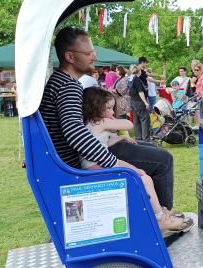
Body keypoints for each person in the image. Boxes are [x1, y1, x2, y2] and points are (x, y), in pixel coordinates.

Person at [39, 26, 179, 216]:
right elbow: (74, 133)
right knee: (163, 160)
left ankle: (153, 213)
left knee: (153, 149)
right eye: (88, 53)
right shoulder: (67, 86)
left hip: (77, 157)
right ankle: (162, 218)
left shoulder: (60, 81)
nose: (94, 57)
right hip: (77, 164)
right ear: (70, 57)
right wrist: (113, 162)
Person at [81, 87, 193, 234]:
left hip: (93, 166)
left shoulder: (90, 124)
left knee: (149, 164)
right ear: (96, 108)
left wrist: (120, 137)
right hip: (98, 167)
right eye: (108, 108)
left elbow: (103, 143)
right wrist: (114, 120)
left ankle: (160, 212)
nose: (112, 112)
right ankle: (161, 218)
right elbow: (128, 124)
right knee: (144, 178)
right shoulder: (102, 122)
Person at [129, 66, 151, 141]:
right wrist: (145, 102)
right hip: (139, 101)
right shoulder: (137, 79)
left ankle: (138, 139)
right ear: (139, 72)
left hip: (133, 101)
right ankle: (146, 140)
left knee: (136, 121)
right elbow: (140, 92)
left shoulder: (130, 78)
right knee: (145, 119)